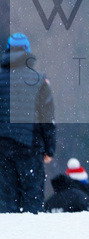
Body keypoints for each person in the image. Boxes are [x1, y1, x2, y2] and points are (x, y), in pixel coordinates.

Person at [0, 33, 57, 213]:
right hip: (30, 149)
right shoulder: (39, 80)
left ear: (7, 50)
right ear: (28, 52)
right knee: (32, 202)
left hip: (2, 148)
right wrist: (50, 149)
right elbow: (47, 119)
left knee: (6, 202)